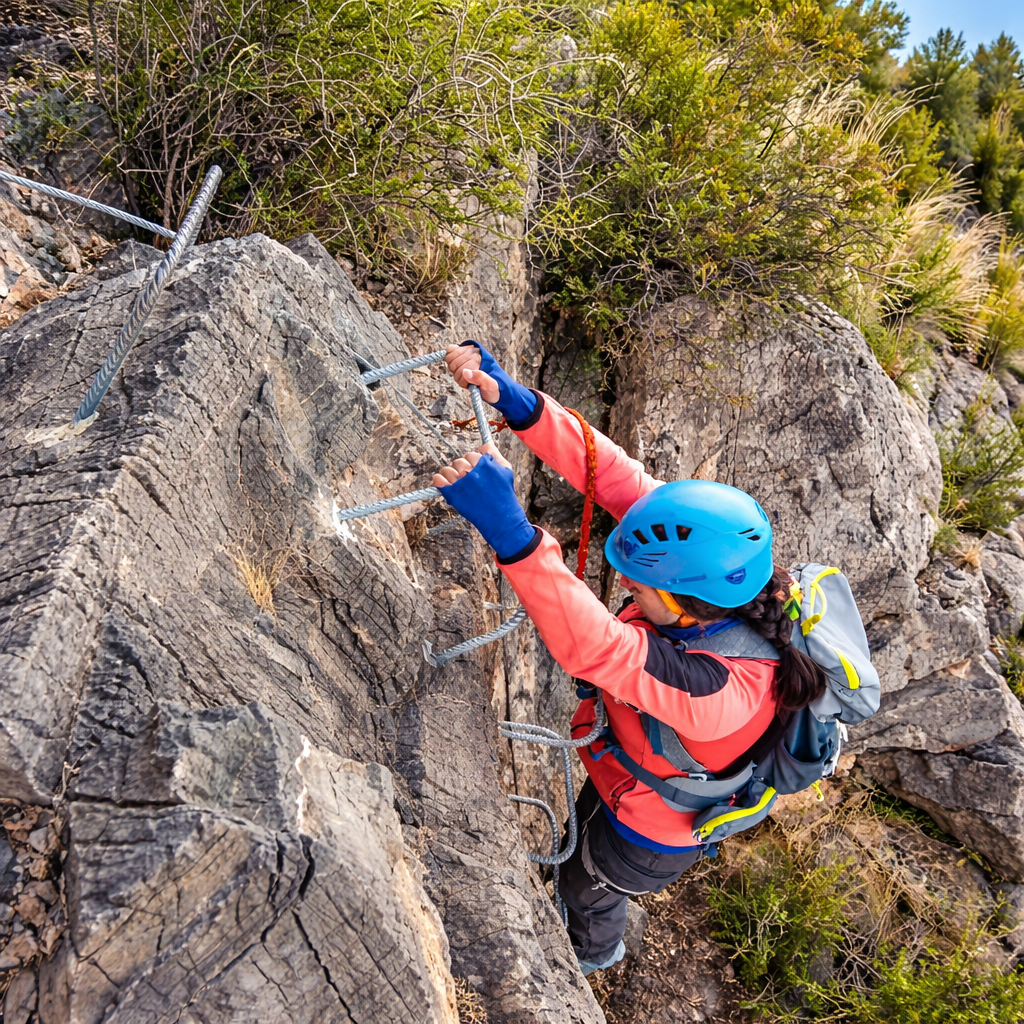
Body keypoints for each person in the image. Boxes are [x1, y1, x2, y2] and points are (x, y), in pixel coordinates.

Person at [433, 341, 827, 976]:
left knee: (588, 884)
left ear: (684, 603)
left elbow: (598, 647)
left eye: (638, 589)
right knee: (581, 844)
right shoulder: (709, 565)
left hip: (652, 833)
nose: (625, 588)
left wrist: (513, 535)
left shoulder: (719, 688)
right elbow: (614, 477)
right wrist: (521, 404)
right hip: (629, 771)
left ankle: (592, 956)